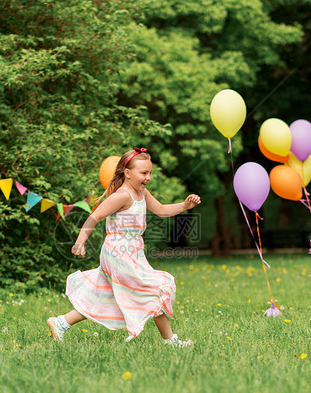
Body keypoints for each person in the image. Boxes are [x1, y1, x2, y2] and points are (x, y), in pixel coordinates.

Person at [47, 147, 200, 347]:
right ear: (127, 173)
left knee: (103, 294)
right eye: (144, 173)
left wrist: (184, 206)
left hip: (134, 253)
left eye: (150, 173)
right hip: (118, 253)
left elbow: (161, 210)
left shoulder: (142, 192)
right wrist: (79, 242)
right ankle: (170, 341)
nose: (148, 177)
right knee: (157, 288)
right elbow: (95, 216)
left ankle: (61, 323)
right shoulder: (122, 196)